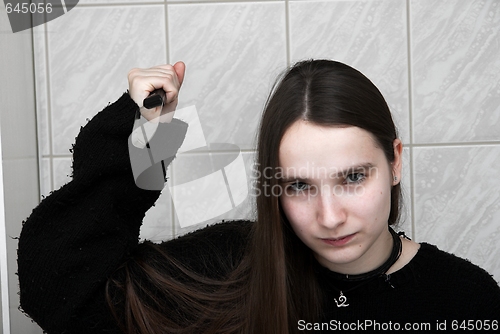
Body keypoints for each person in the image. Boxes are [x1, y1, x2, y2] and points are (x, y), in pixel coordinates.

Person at [18, 60, 500, 334]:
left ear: (394, 162)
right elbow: (61, 287)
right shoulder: (231, 268)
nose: (329, 216)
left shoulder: (468, 303)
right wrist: (147, 136)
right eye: (298, 186)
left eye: (352, 177)